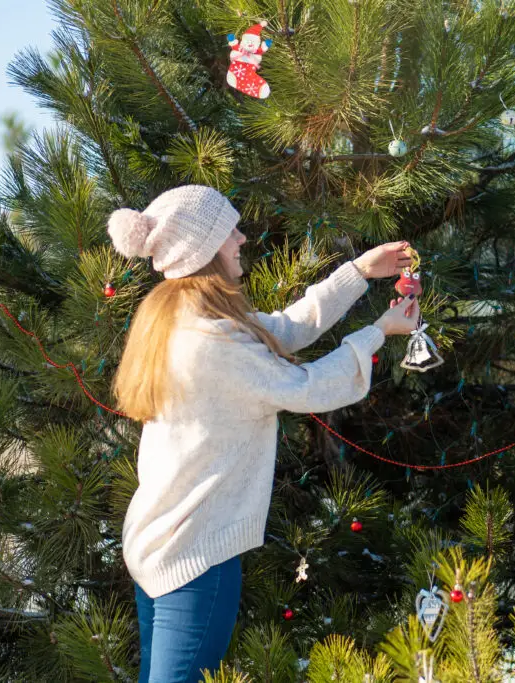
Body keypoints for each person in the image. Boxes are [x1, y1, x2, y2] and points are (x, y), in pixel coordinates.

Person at [106, 185, 421, 683]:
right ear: (205, 249)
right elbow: (308, 386)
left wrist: (359, 271)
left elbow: (284, 329)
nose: (241, 237)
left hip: (160, 541)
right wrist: (380, 330)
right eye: (229, 229)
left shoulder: (181, 315)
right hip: (195, 556)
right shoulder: (209, 340)